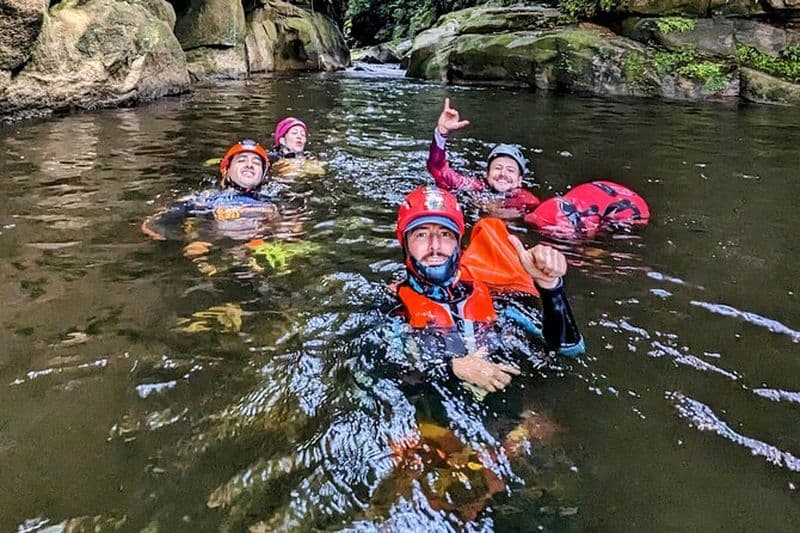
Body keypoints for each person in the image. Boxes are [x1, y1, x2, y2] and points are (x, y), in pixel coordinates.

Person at [393, 186, 584, 392]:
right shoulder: (393, 307)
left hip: (503, 412)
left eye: (445, 234)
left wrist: (550, 288)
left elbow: (569, 351)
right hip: (432, 413)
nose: (435, 246)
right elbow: (380, 373)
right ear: (405, 244)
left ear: (458, 244)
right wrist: (451, 368)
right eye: (421, 235)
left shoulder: (496, 298)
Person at [141, 139, 284, 242]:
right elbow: (158, 222)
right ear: (226, 171)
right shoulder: (210, 198)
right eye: (241, 160)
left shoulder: (274, 200)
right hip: (218, 245)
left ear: (263, 176)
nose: (249, 165)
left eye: (256, 163)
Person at [427, 98, 541, 219]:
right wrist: (442, 133)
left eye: (510, 170)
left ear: (519, 181)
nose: (503, 173)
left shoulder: (530, 202)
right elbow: (439, 170)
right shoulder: (475, 187)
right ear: (486, 174)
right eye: (498, 168)